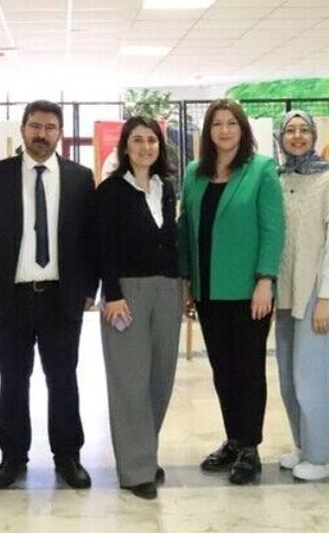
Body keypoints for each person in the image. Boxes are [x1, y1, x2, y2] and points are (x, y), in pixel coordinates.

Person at [0, 100, 97, 490]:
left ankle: (68, 456)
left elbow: (91, 239)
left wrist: (88, 289)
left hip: (61, 297)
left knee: (63, 379)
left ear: (60, 133)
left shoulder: (80, 178)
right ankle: (12, 457)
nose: (42, 134)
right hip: (11, 298)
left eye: (50, 127)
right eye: (35, 126)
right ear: (23, 129)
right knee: (12, 379)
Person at [177, 99, 285, 485]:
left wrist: (265, 279)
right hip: (207, 290)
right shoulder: (194, 173)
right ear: (207, 131)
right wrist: (187, 280)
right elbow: (186, 228)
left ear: (243, 129)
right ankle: (234, 439)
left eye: (231, 123)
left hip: (248, 291)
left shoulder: (261, 169)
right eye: (217, 124)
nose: (224, 130)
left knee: (248, 370)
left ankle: (250, 448)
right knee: (222, 370)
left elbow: (273, 228)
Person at [94, 116, 182, 500]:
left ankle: (145, 452)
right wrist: (112, 294)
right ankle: (135, 469)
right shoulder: (111, 191)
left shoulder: (166, 189)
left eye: (152, 140)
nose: (146, 147)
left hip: (167, 289)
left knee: (160, 377)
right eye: (138, 140)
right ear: (126, 147)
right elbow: (103, 247)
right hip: (126, 293)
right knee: (129, 381)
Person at [274, 111, 329, 481]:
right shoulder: (279, 178)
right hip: (286, 292)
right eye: (290, 130)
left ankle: (327, 457)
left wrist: (326, 297)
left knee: (313, 378)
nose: (298, 136)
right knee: (289, 378)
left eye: (304, 130)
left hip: (317, 294)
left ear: (314, 136)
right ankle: (304, 445)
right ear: (281, 137)